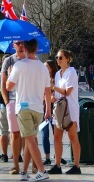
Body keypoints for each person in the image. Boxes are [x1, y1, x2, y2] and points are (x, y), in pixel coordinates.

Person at [6, 39, 51, 181]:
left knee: (29, 139)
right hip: (38, 108)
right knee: (29, 138)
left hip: (24, 106)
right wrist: (48, 109)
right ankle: (24, 172)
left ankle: (42, 171)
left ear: (24, 48)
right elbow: (48, 90)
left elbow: (8, 87)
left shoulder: (19, 65)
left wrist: (10, 73)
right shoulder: (43, 67)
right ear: (36, 48)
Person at [48, 49, 81, 175]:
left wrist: (53, 87)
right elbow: (58, 93)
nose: (58, 60)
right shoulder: (57, 74)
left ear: (68, 59)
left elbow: (67, 92)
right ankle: (57, 165)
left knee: (73, 137)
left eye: (60, 57)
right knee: (57, 136)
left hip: (70, 108)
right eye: (57, 57)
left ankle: (77, 166)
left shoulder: (72, 72)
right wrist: (53, 97)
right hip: (59, 107)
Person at [1, 41, 25, 175]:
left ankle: (28, 165)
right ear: (13, 45)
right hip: (12, 101)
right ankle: (16, 164)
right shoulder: (8, 61)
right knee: (14, 134)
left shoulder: (29, 60)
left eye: (22, 43)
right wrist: (7, 102)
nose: (20, 45)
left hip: (26, 102)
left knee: (27, 135)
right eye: (17, 43)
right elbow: (3, 85)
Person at [41, 60, 58, 165]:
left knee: (56, 134)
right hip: (42, 108)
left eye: (46, 66)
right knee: (44, 134)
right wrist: (46, 97)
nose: (44, 68)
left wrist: (53, 96)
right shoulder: (40, 79)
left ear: (51, 68)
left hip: (55, 109)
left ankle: (57, 155)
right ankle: (47, 157)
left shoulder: (57, 79)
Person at [0, 54, 10, 163]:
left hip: (3, 104)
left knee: (3, 131)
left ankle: (4, 154)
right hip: (12, 103)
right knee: (14, 131)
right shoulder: (14, 73)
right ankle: (17, 154)